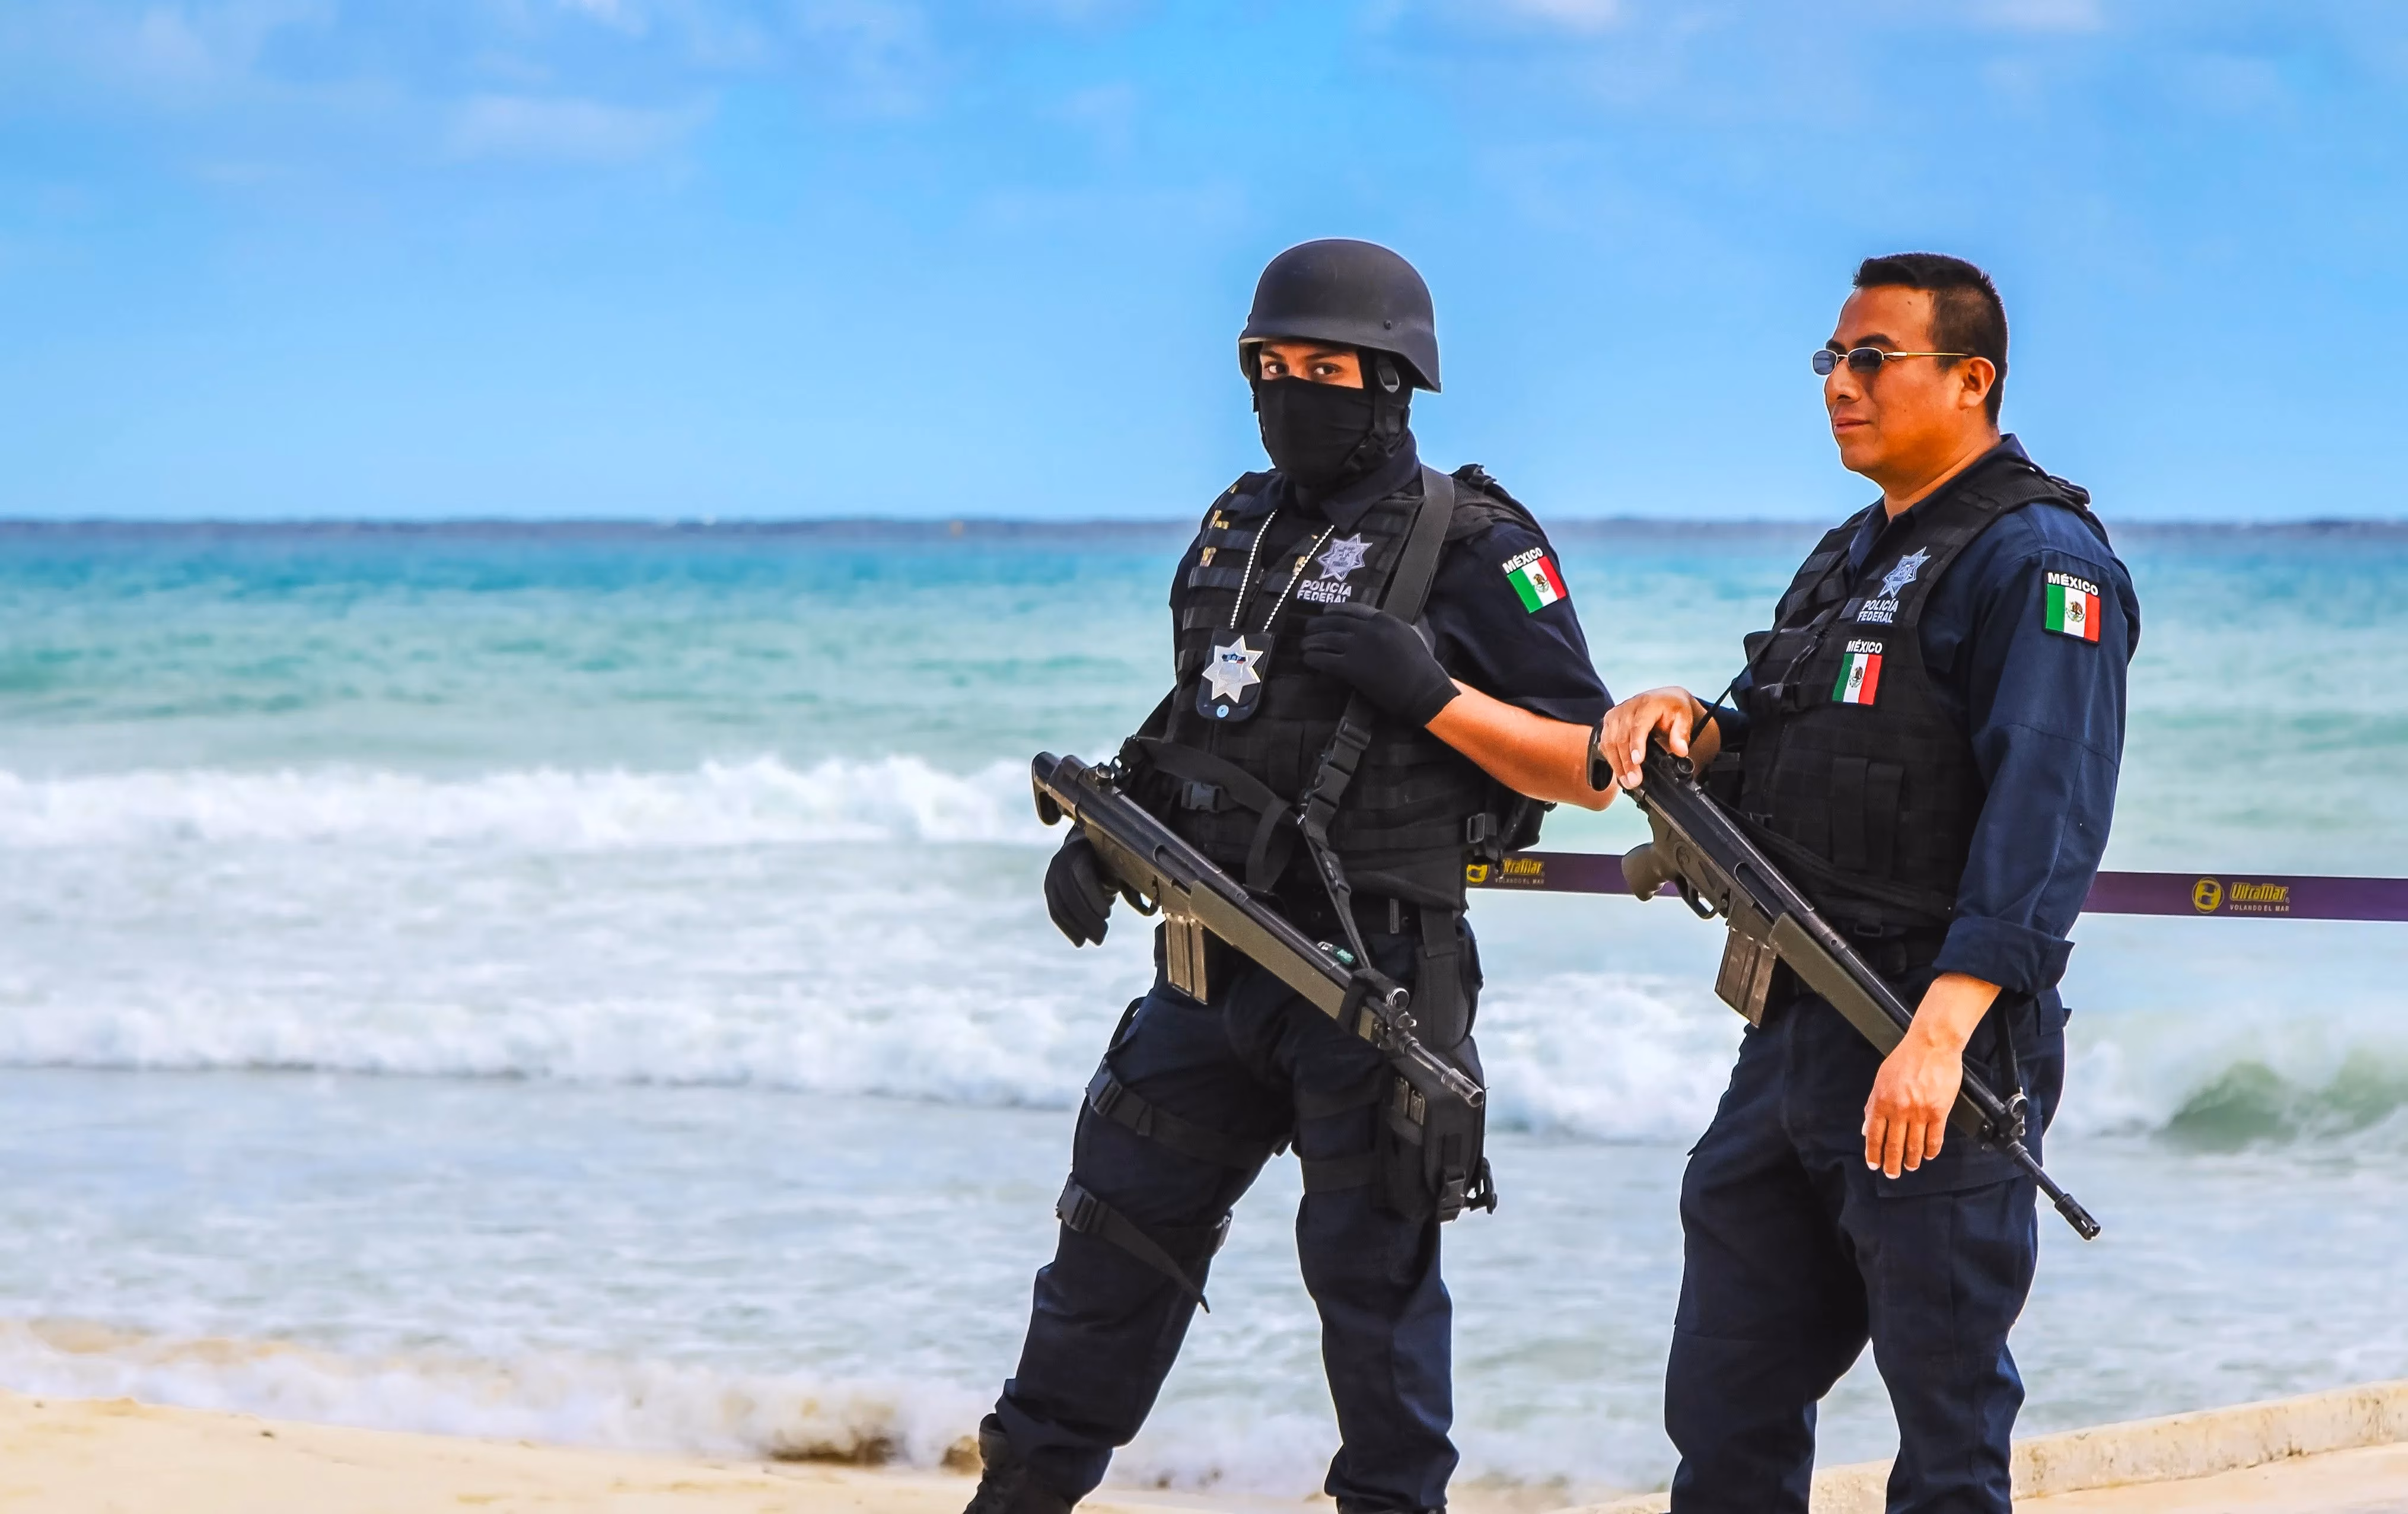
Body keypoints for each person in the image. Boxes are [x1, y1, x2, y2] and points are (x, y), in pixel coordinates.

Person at [965, 238, 1614, 1514]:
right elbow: (1206, 721)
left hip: (1371, 979)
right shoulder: (1233, 525)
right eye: (1270, 364)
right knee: (1106, 1254)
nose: (1290, 390)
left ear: (1393, 383)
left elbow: (1587, 767)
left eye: (1325, 366)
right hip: (1206, 972)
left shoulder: (1474, 541)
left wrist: (1427, 691)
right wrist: (1104, 833)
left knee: (1372, 1305)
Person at [1595, 252, 2140, 1514]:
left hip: (1924, 1035)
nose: (1838, 385)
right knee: (1725, 1400)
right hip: (1794, 1026)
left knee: (1942, 1420)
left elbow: (2045, 810)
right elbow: (1781, 725)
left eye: (1869, 359)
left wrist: (1940, 1034)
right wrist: (1689, 718)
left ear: (1970, 379)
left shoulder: (2038, 560)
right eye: (1828, 361)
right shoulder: (1854, 553)